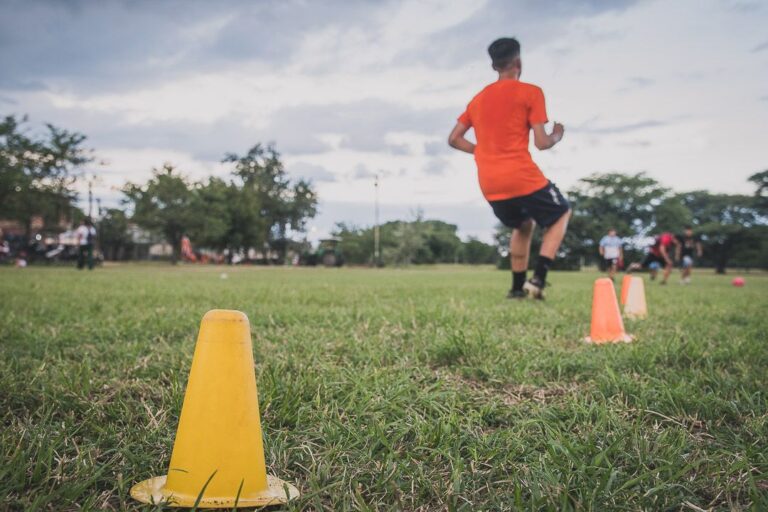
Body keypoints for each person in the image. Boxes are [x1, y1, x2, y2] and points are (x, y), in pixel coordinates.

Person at [448, 37, 570, 300]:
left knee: (523, 225)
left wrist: (480, 150)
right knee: (561, 212)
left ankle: (516, 289)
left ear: (494, 66)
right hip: (521, 176)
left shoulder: (478, 99)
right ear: (518, 62)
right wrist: (557, 134)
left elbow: (454, 138)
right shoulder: (530, 92)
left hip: (490, 182)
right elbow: (541, 142)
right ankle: (538, 279)